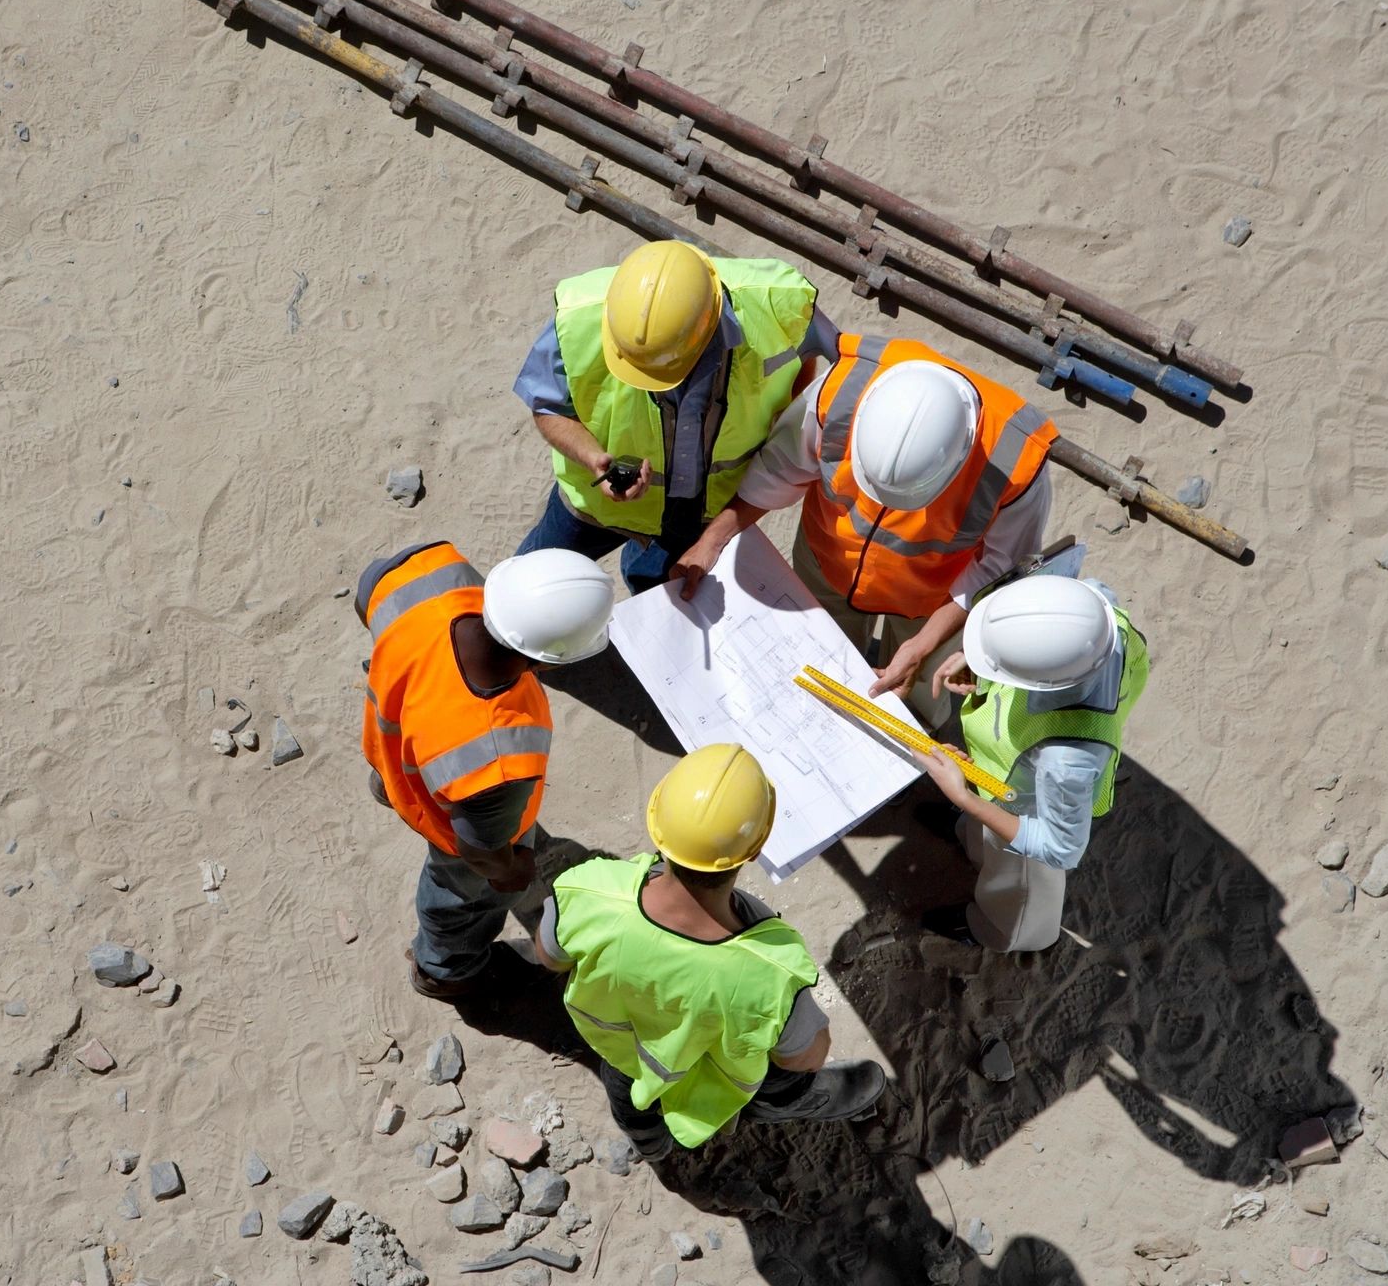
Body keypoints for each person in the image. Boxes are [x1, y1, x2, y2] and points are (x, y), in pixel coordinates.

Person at [672, 335, 1057, 725]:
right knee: (820, 671)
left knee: (912, 701)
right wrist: (712, 539)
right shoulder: (841, 394)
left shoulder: (1015, 462)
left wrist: (923, 645)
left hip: (930, 605)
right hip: (825, 565)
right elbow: (779, 470)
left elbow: (1000, 569)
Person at [532, 744, 887, 1158]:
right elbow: (807, 1056)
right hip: (715, 1077)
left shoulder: (589, 889)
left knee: (632, 1102)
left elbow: (549, 955)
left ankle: (651, 1147)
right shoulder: (770, 967)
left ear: (658, 822)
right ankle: (776, 1105)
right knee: (777, 1083)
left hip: (626, 1054)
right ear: (753, 849)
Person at [358, 542, 616, 999]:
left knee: (405, 781)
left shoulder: (435, 573)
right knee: (461, 899)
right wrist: (510, 871)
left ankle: (390, 790)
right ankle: (445, 968)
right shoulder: (497, 757)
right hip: (459, 817)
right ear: (543, 660)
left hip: (396, 753)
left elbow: (367, 597)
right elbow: (477, 850)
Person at [514, 240, 827, 595]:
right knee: (525, 587)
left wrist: (782, 419)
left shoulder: (777, 305)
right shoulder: (578, 319)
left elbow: (802, 363)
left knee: (656, 590)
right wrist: (591, 458)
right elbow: (547, 405)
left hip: (701, 505)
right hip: (596, 501)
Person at [909, 574, 1150, 953]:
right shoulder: (1091, 614)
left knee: (1019, 881)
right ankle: (969, 834)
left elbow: (1060, 848)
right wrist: (985, 662)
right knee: (982, 831)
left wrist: (965, 797)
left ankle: (1000, 930)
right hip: (1000, 773)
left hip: (1026, 805)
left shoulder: (1067, 761)